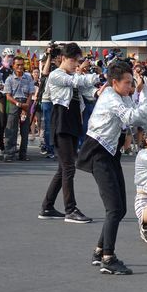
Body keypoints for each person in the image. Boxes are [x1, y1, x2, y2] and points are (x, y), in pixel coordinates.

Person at [77, 61, 147, 275]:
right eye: (127, 83)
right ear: (114, 82)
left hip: (111, 152)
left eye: (131, 82)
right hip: (98, 152)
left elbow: (143, 120)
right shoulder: (110, 97)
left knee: (120, 208)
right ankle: (108, 258)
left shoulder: (124, 96)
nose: (130, 86)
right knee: (114, 209)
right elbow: (131, 117)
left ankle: (99, 252)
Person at [39, 43, 100, 223]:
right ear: (63, 58)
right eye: (73, 60)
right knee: (68, 168)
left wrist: (99, 90)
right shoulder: (56, 75)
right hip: (61, 123)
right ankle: (70, 210)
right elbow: (77, 82)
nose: (76, 64)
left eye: (77, 61)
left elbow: (88, 92)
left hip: (72, 123)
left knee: (63, 168)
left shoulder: (73, 75)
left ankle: (47, 207)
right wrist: (96, 76)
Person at [3, 56, 35, 162]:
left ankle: (23, 154)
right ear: (13, 66)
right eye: (18, 65)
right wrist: (19, 104)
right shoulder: (9, 79)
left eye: (22, 64)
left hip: (26, 103)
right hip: (14, 104)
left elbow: (31, 93)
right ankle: (9, 154)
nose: (20, 67)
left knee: (25, 131)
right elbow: (8, 96)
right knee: (11, 130)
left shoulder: (28, 77)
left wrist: (26, 105)